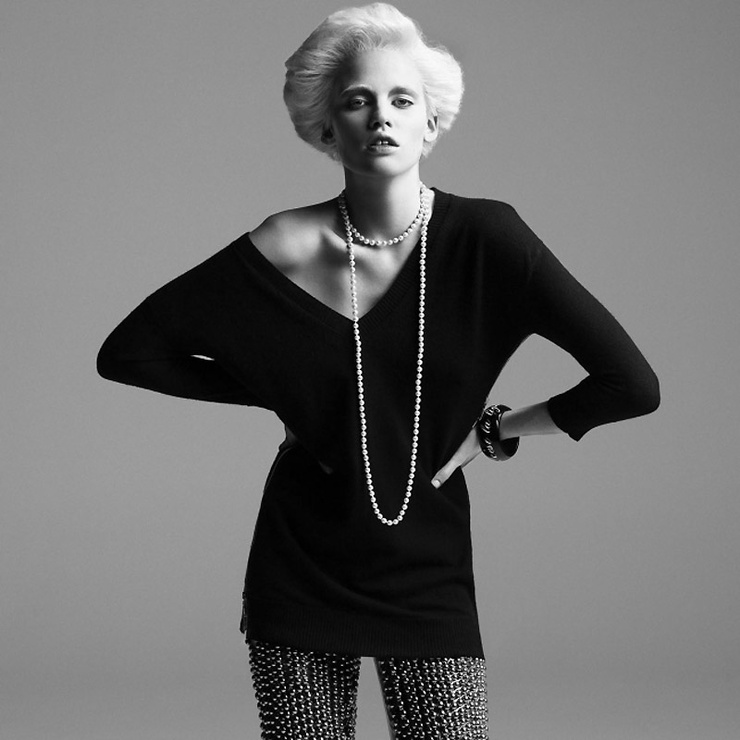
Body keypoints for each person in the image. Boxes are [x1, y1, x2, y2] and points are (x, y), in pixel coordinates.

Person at [97, 4, 660, 738]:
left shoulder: (488, 240)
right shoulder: (285, 244)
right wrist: (289, 392)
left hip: (427, 568)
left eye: (402, 100)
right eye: (358, 100)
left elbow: (630, 384)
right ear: (327, 127)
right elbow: (128, 353)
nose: (382, 117)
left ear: (431, 121)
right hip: (301, 565)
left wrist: (495, 431)